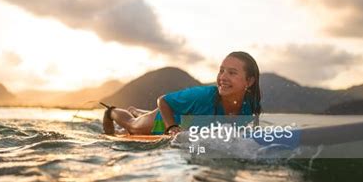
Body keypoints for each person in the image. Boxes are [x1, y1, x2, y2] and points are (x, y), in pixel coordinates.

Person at [101, 51, 261, 137]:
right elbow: (163, 101)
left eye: (232, 73)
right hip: (165, 120)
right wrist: (171, 127)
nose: (223, 77)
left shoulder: (251, 105)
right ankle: (111, 111)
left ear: (249, 81)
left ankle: (138, 111)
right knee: (134, 125)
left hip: (186, 119)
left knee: (144, 117)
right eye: (221, 71)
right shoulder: (203, 95)